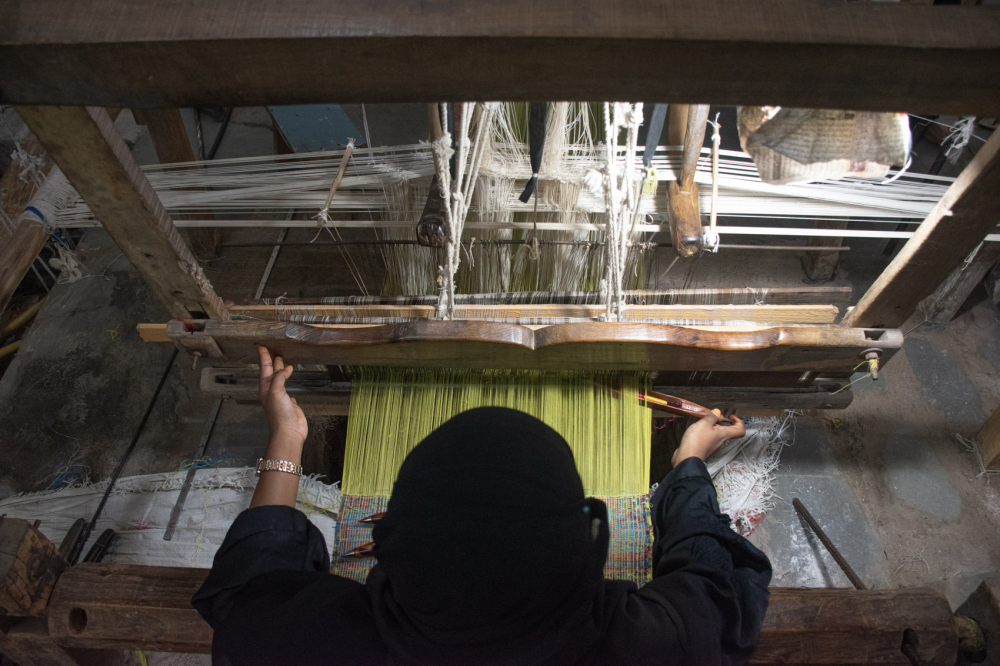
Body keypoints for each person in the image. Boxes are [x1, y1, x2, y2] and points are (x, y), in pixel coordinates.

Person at [193, 347, 772, 665]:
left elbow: (251, 584)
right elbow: (711, 577)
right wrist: (688, 461)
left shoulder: (317, 645)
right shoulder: (653, 647)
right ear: (587, 545)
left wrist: (288, 435)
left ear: (388, 544)